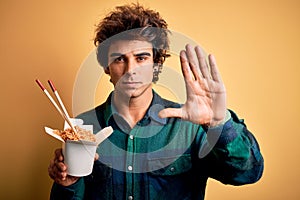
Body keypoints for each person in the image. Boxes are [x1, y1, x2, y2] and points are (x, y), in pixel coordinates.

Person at [48, 3, 264, 200]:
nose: (130, 70)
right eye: (119, 59)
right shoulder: (82, 127)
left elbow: (249, 173)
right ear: (106, 67)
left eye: (141, 58)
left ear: (157, 64)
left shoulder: (192, 127)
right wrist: (68, 184)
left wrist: (218, 123)